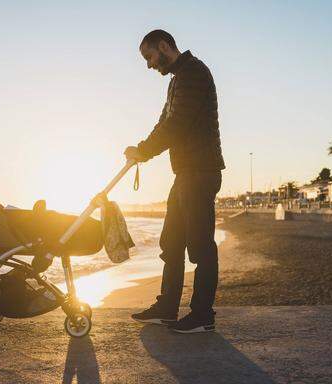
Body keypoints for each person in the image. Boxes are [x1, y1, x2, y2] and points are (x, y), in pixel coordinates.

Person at [125, 30, 225, 333]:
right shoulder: (177, 79)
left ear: (164, 47)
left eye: (149, 57)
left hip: (200, 172)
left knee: (200, 247)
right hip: (185, 173)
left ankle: (202, 315)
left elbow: (177, 125)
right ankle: (167, 308)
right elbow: (164, 122)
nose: (148, 65)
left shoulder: (194, 73)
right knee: (171, 242)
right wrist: (142, 149)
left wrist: (144, 151)